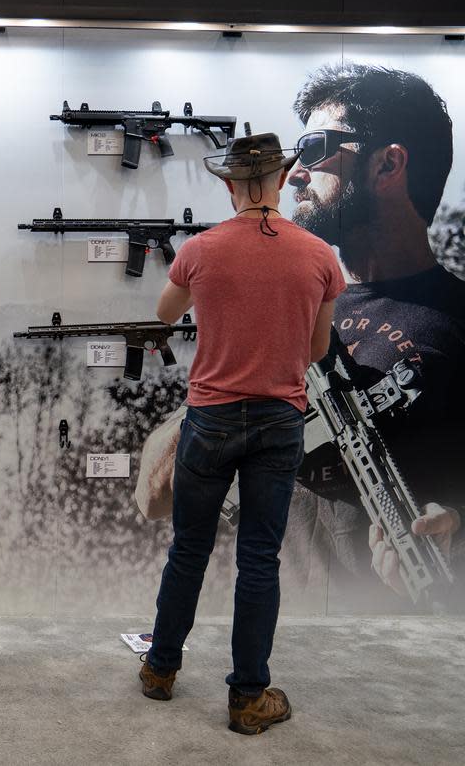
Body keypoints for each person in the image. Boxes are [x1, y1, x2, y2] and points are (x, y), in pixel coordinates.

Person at [137, 134, 345, 735]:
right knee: (260, 559)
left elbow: (164, 313)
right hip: (280, 419)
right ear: (282, 180)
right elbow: (317, 348)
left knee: (189, 549)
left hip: (211, 416)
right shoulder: (319, 255)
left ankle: (160, 669)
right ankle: (248, 697)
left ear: (228, 185)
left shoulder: (201, 249)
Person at [288, 63, 463, 598]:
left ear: (388, 165)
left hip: (398, 648)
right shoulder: (289, 315)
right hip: (271, 639)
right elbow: (154, 498)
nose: (294, 171)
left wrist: (455, 525)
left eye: (315, 148)